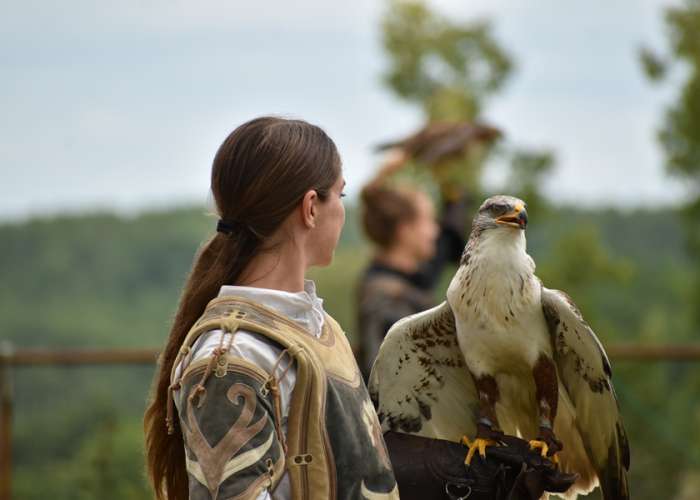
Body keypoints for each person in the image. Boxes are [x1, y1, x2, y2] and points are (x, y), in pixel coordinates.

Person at [143, 116, 575, 500]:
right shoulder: (231, 358)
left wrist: (434, 477)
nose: (345, 214)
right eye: (341, 197)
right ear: (312, 208)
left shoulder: (315, 328)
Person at [357, 177, 469, 379]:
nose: (436, 231)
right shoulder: (385, 298)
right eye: (429, 220)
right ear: (405, 230)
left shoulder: (404, 282)